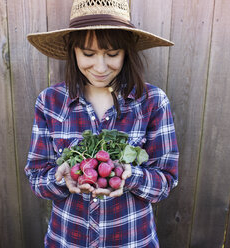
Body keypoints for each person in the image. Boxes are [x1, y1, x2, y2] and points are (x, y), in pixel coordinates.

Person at [25, 0, 179, 247]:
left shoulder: (152, 102)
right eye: (88, 54)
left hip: (131, 240)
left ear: (126, 52)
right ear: (72, 50)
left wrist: (131, 177)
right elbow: (36, 177)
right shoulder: (50, 102)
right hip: (67, 240)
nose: (100, 67)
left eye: (112, 54)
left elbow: (166, 181)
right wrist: (60, 177)